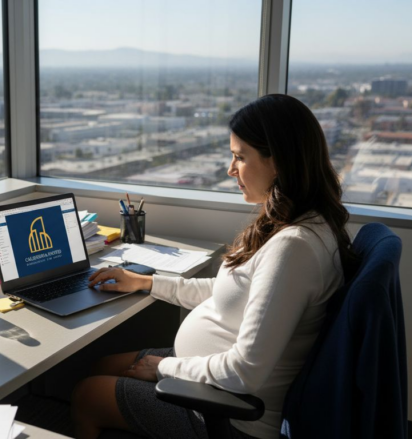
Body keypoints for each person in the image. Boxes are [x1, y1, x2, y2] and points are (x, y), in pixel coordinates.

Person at [72, 94, 357, 439]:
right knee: (103, 365)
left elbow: (245, 371)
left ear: (278, 161)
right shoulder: (298, 221)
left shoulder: (293, 247)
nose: (230, 169)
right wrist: (145, 283)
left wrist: (163, 367)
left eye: (240, 157)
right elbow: (230, 293)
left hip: (228, 413)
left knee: (87, 394)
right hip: (213, 380)